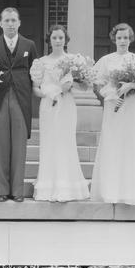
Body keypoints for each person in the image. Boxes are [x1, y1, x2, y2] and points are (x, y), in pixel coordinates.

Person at [90, 23, 135, 205]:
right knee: (113, 143)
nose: (122, 41)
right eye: (119, 38)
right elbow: (98, 85)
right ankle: (110, 191)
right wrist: (110, 95)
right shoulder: (106, 60)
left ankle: (130, 192)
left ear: (130, 39)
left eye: (125, 37)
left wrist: (130, 85)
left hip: (131, 106)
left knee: (129, 143)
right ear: (114, 40)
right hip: (113, 106)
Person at [30, 25, 90, 202]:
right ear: (49, 40)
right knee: (50, 143)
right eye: (54, 38)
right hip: (49, 105)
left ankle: (67, 186)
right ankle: (49, 186)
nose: (57, 41)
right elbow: (35, 89)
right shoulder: (40, 62)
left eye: (60, 38)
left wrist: (70, 85)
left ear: (65, 40)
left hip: (66, 105)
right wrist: (50, 93)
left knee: (66, 142)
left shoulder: (73, 61)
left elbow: (85, 86)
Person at [0, 7, 38, 202]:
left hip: (21, 98)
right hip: (0, 97)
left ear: (19, 23)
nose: (10, 24)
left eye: (13, 20)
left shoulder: (29, 45)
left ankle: (17, 191)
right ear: (0, 23)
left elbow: (35, 72)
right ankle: (2, 190)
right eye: (6, 20)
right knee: (1, 143)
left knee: (19, 145)